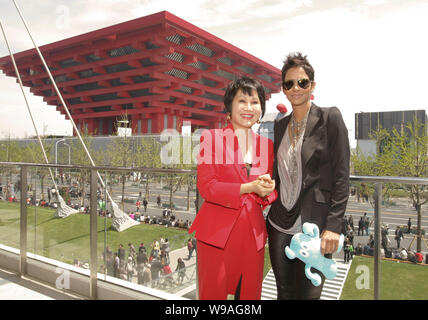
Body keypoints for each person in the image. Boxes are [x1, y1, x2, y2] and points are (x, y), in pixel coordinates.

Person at [266, 52, 350, 300]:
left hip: (315, 227)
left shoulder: (329, 117)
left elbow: (342, 176)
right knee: (284, 293)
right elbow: (278, 173)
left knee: (309, 296)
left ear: (312, 85)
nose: (296, 88)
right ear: (283, 89)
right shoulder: (280, 126)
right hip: (279, 225)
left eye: (302, 82)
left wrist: (333, 226)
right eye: (289, 83)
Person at [188, 76, 277, 300]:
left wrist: (268, 191)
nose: (249, 108)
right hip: (218, 236)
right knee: (214, 296)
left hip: (252, 236)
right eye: (242, 101)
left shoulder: (266, 145)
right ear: (229, 106)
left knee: (249, 297)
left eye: (255, 102)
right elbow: (207, 187)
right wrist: (248, 187)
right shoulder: (211, 138)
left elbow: (270, 191)